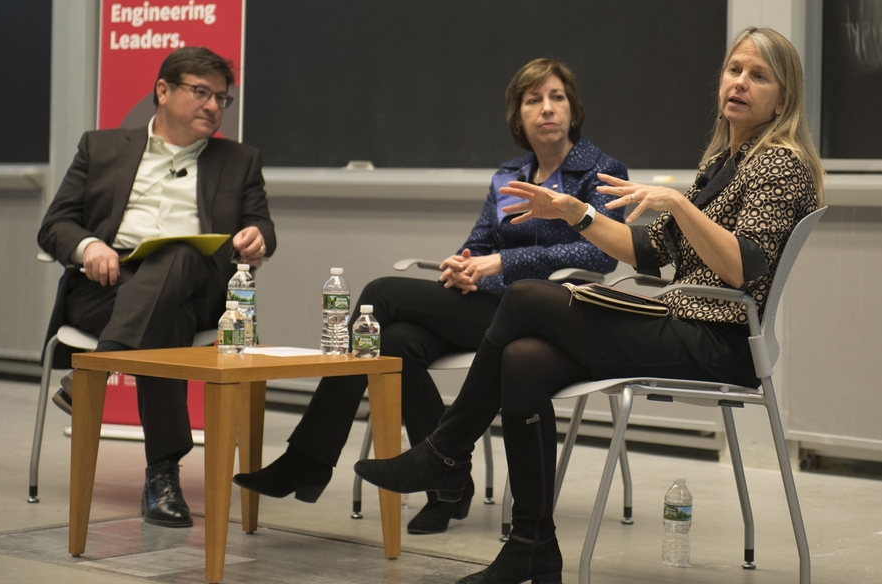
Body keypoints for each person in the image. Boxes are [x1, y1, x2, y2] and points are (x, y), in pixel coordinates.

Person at [354, 26, 824, 584]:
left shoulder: (779, 164)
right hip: (687, 323)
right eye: (734, 70)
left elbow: (743, 267)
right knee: (523, 359)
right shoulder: (728, 158)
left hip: (719, 341)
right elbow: (650, 251)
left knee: (527, 297)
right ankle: (531, 547)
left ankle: (446, 449)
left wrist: (675, 200)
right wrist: (576, 212)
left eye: (758, 75)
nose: (740, 83)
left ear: (784, 95)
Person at [232, 58, 627, 535]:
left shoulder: (600, 170)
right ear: (517, 116)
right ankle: (448, 481)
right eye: (533, 100)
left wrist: (501, 265)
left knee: (380, 295)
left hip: (549, 317)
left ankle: (310, 457)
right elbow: (479, 243)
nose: (547, 109)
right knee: (395, 340)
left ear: (573, 110)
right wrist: (463, 264)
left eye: (557, 98)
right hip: (495, 306)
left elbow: (600, 252)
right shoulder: (509, 174)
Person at [38, 47, 275, 528]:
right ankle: (162, 474)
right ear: (163, 91)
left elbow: (260, 225)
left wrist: (258, 239)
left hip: (198, 280)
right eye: (200, 92)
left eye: (221, 99)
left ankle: (94, 373)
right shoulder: (100, 148)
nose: (212, 106)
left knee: (178, 255)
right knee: (167, 319)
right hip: (107, 283)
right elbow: (55, 224)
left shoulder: (240, 160)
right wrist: (88, 246)